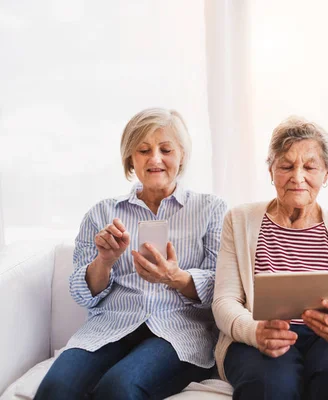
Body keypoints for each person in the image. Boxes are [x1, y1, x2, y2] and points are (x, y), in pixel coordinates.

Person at [35, 108, 227, 399]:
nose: (155, 159)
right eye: (144, 150)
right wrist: (105, 261)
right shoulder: (102, 213)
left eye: (166, 149)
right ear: (130, 158)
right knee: (55, 388)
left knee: (118, 388)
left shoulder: (211, 210)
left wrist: (177, 278)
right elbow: (82, 293)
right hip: (111, 325)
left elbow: (222, 287)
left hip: (178, 332)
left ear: (182, 155)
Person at [212, 116, 328, 399]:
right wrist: (254, 331)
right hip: (262, 337)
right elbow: (224, 301)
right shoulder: (239, 220)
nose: (297, 177)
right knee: (271, 385)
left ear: (326, 174)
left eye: (310, 167)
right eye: (286, 166)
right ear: (271, 170)